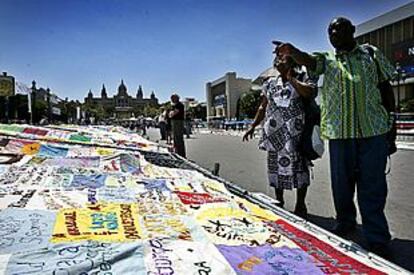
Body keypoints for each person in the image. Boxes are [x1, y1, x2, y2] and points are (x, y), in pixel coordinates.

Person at [276, 17, 395, 257]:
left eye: (339, 28)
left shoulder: (370, 54)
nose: (334, 32)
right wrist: (292, 51)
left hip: (373, 131)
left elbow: (385, 88)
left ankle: (377, 236)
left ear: (352, 31)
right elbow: (309, 60)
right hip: (340, 134)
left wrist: (391, 125)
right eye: (330, 30)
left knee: (373, 185)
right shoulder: (327, 60)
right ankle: (345, 222)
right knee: (342, 184)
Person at [243, 50, 316, 218]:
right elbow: (263, 106)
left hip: (295, 132)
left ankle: (300, 203)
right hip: (274, 133)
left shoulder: (303, 77)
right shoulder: (269, 83)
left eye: (282, 58)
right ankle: (279, 201)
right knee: (275, 168)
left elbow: (309, 93)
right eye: (277, 59)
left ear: (292, 62)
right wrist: (253, 126)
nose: (278, 61)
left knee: (299, 168)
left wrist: (292, 79)